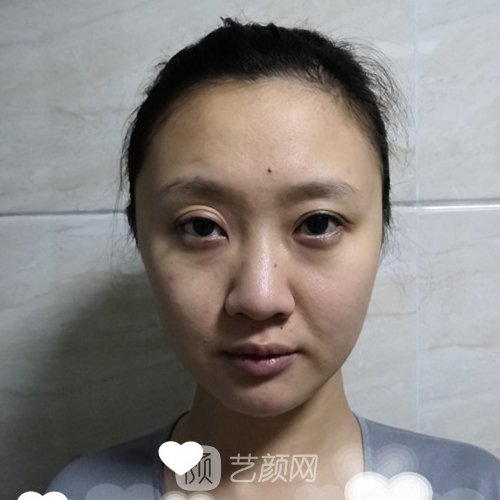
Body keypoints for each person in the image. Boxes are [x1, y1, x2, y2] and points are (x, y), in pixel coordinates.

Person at [46, 18, 499, 500]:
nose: (260, 299)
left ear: (380, 232)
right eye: (201, 226)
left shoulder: (475, 488)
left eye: (318, 223)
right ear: (141, 236)